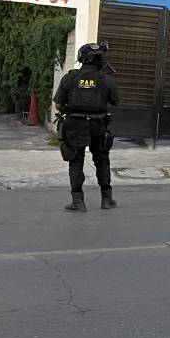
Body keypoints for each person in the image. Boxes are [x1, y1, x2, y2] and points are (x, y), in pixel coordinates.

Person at [53, 42, 119, 212]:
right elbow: (116, 102)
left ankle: (78, 201)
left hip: (75, 125)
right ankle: (107, 199)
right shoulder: (106, 79)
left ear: (83, 59)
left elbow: (58, 105)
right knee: (102, 160)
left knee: (75, 161)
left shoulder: (70, 77)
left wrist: (72, 110)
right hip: (99, 124)